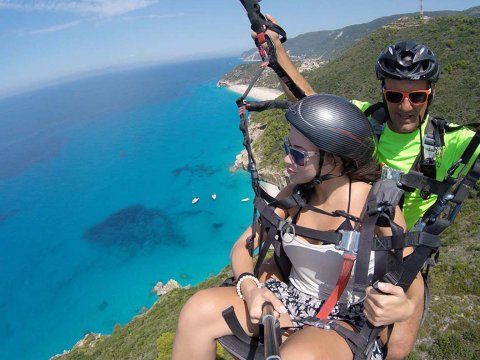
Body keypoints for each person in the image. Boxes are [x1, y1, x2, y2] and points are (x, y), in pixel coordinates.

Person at [172, 94, 424, 360]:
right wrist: (251, 290)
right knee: (196, 311)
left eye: (297, 154)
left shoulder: (378, 206)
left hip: (346, 317)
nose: (286, 160)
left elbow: (411, 277)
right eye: (287, 148)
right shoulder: (297, 194)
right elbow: (242, 248)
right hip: (288, 298)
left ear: (334, 160)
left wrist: (403, 307)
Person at [256, 15, 480, 231]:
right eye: (394, 96)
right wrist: (276, 48)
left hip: (399, 255)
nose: (405, 107)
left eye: (417, 96)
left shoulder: (452, 141)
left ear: (431, 94)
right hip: (344, 238)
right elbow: (310, 104)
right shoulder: (364, 118)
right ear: (383, 92)